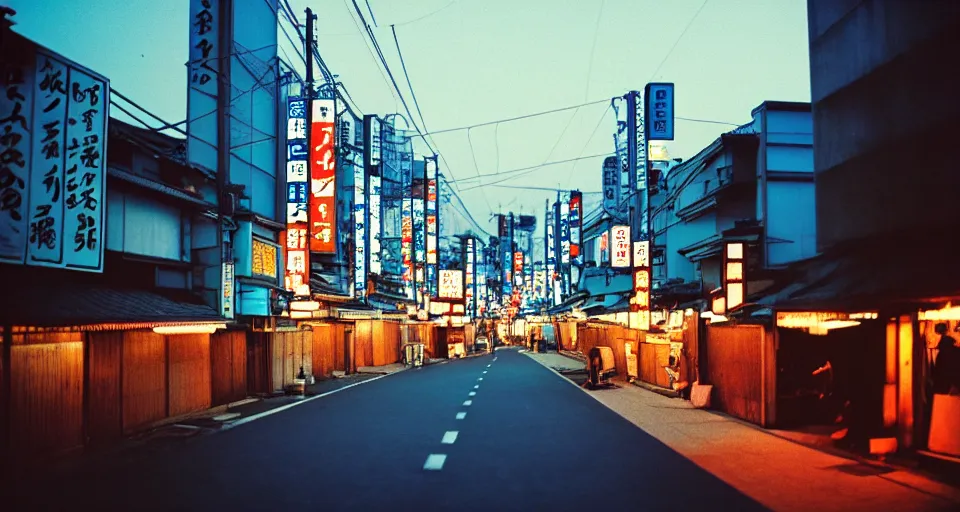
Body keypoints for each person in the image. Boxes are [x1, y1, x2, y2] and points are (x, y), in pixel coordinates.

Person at [933, 323, 960, 394]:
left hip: (945, 384)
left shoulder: (941, 354)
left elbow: (938, 371)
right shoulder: (956, 351)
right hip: (954, 381)